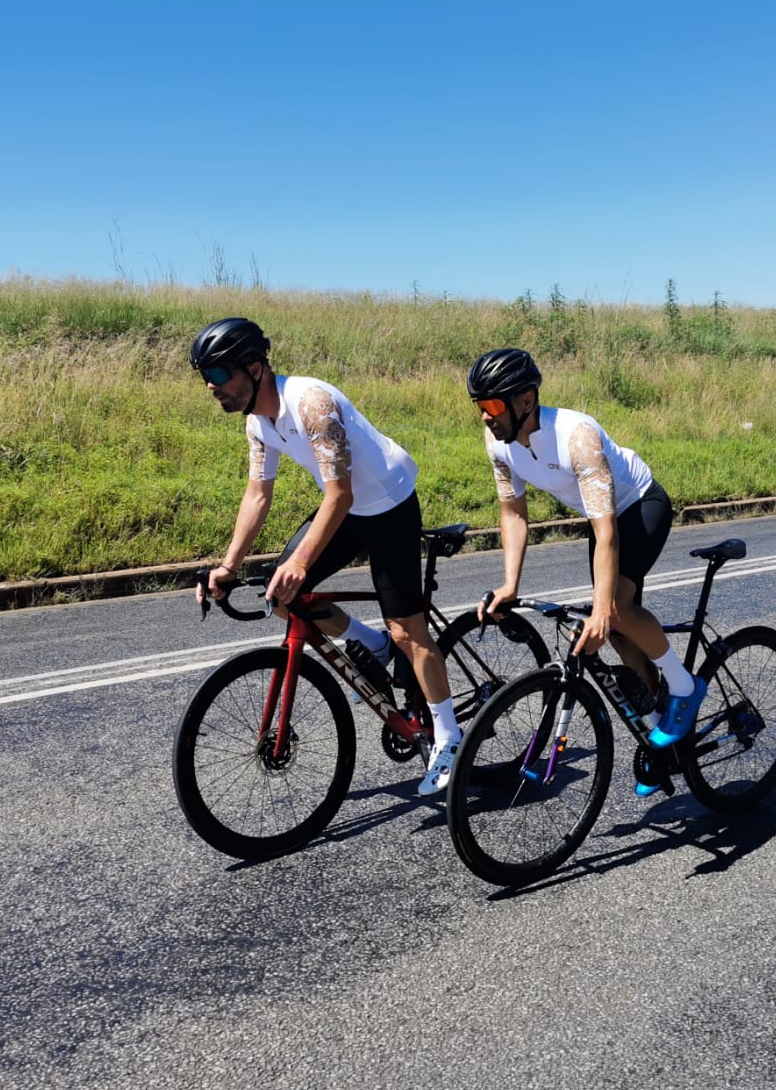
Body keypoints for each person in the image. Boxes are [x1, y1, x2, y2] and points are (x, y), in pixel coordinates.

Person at [191, 317, 460, 795]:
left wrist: (300, 561)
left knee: (407, 630)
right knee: (282, 595)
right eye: (205, 378)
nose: (211, 388)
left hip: (390, 501)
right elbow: (257, 494)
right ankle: (371, 644)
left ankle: (449, 738)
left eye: (217, 375)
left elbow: (339, 494)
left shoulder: (312, 404)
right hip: (351, 507)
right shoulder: (259, 422)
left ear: (254, 369)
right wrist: (229, 567)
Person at [465, 347, 703, 796]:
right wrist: (510, 583)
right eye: (479, 406)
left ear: (526, 400)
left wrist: (600, 610)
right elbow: (513, 513)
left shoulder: (577, 435)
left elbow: (607, 532)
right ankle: (658, 731)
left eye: (493, 405)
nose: (484, 416)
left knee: (613, 609)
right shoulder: (498, 441)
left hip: (639, 506)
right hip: (604, 517)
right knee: (616, 634)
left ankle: (683, 686)